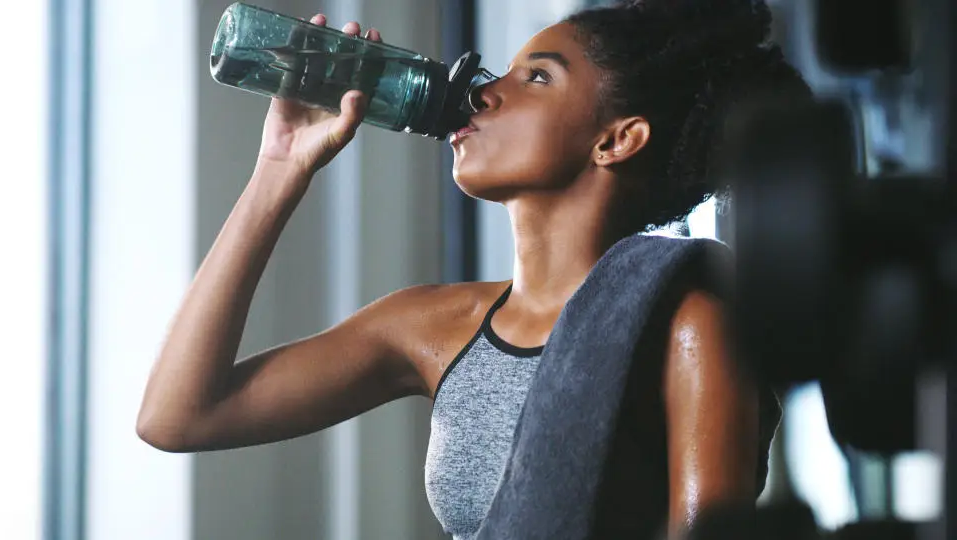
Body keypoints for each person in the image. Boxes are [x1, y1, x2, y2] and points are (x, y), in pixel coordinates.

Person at [137, 0, 811, 538]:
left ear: (616, 139)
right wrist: (278, 170)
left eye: (537, 77)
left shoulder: (687, 322)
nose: (485, 94)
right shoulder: (432, 325)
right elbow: (180, 416)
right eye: (504, 74)